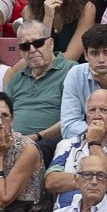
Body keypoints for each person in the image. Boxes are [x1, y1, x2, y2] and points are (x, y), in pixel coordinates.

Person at [48, 89, 107, 210]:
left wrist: (94, 143)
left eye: (104, 110)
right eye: (92, 110)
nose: (97, 116)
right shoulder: (68, 144)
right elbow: (51, 182)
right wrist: (102, 175)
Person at [5, 21, 75, 149]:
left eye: (38, 43)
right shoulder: (17, 78)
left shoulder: (71, 71)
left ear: (51, 43)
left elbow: (74, 117)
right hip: (13, 142)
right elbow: (2, 113)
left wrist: (38, 136)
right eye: (25, 46)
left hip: (49, 143)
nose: (32, 50)